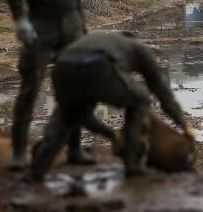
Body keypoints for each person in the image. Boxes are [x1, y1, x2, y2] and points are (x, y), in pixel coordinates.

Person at [5, 0, 99, 170]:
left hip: (71, 26)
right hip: (41, 24)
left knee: (76, 89)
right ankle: (19, 153)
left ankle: (74, 150)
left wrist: (82, 28)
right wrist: (20, 19)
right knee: (30, 88)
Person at [30, 34, 194, 181]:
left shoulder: (107, 41)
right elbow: (161, 89)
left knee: (68, 114)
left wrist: (112, 134)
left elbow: (84, 116)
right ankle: (134, 166)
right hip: (98, 66)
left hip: (62, 67)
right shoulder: (139, 49)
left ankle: (38, 169)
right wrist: (183, 124)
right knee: (141, 99)